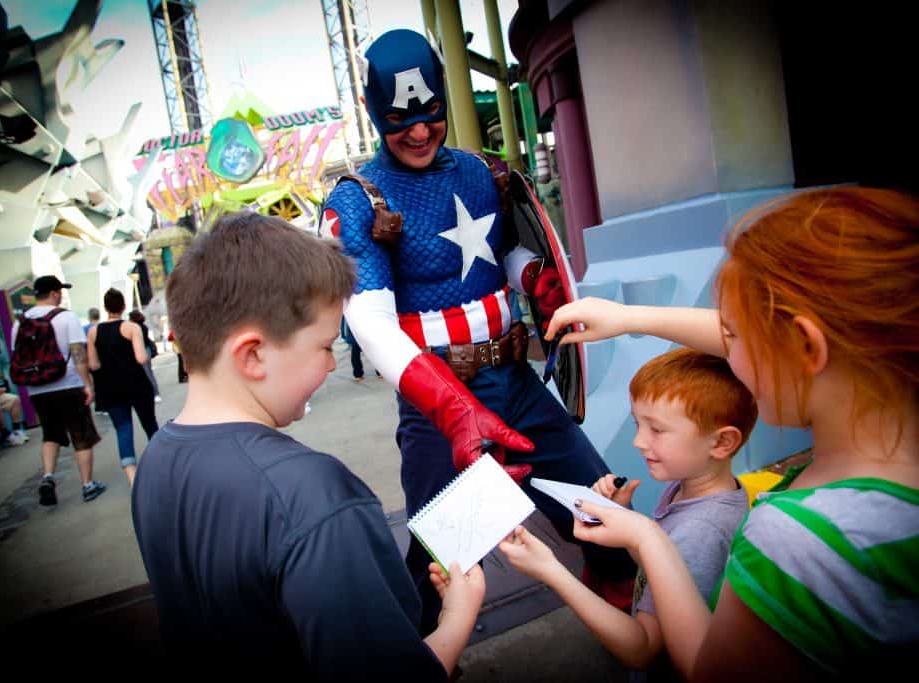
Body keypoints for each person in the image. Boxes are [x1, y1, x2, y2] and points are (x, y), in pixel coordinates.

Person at [543, 187, 919, 679]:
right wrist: (631, 318)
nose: (727, 351)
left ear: (805, 346)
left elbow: (705, 668)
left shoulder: (797, 540)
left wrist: (649, 539)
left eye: (735, 336)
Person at [321, 27, 634, 632]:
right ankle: (426, 662)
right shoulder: (358, 200)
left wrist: (534, 276)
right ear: (371, 110)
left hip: (517, 384)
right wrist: (450, 410)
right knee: (443, 560)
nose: (417, 131)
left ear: (442, 96)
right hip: (438, 403)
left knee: (599, 509)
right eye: (398, 118)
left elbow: (505, 249)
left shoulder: (482, 172)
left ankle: (634, 632)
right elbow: (370, 322)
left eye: (431, 113)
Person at [131, 212, 485, 675]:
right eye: (323, 346)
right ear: (253, 354)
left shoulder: (155, 461)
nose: (331, 365)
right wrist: (457, 616)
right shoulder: (313, 495)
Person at [499, 347, 757, 681]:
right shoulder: (696, 490)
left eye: (657, 430)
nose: (638, 441)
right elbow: (660, 569)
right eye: (638, 424)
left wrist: (551, 570)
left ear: (721, 443)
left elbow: (643, 647)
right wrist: (619, 515)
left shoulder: (701, 532)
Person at [14, 275, 106, 505]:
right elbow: (78, 354)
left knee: (50, 434)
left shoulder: (20, 322)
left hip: (38, 389)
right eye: (60, 292)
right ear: (54, 293)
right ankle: (87, 485)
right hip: (68, 385)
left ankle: (47, 477)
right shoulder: (66, 317)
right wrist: (87, 384)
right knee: (81, 436)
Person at [87, 289, 158, 486]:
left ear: (105, 307)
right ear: (123, 306)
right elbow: (141, 358)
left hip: (109, 388)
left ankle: (132, 476)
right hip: (136, 384)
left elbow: (93, 364)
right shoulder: (131, 328)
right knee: (149, 423)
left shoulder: (93, 332)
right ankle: (162, 463)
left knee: (123, 428)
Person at [128, 309, 162, 402]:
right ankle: (155, 393)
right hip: (147, 350)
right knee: (148, 372)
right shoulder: (144, 327)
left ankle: (155, 393)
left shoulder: (135, 328)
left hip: (142, 350)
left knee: (147, 373)